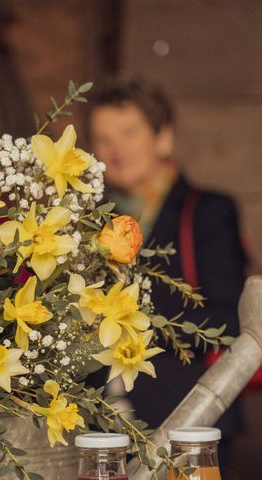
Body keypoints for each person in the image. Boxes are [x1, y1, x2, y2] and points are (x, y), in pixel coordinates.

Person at [87, 77, 248, 468]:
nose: (116, 149)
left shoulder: (208, 212)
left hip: (187, 420)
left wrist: (132, 331)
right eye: (103, 138)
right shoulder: (87, 223)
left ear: (163, 138)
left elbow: (229, 320)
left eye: (128, 133)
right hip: (98, 429)